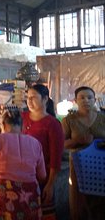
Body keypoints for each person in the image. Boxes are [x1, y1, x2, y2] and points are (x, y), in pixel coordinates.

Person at [0, 109, 46, 220]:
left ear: (3, 125)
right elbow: (42, 175)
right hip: (30, 192)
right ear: (22, 126)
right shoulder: (35, 143)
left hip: (4, 192)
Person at [61, 86, 105, 220]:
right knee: (79, 200)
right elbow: (62, 144)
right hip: (78, 165)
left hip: (101, 165)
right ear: (75, 100)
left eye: (90, 97)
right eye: (82, 97)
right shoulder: (69, 120)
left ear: (95, 100)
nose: (86, 100)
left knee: (100, 201)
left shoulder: (103, 118)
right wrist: (77, 141)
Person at [21, 84, 64, 220]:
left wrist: (50, 184)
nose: (29, 101)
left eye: (33, 97)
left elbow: (55, 158)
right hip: (22, 176)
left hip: (42, 179)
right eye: (27, 98)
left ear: (45, 99)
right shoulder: (22, 117)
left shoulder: (52, 124)